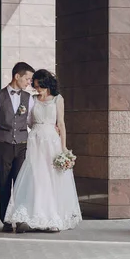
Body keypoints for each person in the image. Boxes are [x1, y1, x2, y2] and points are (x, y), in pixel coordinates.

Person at [5, 69, 82, 233]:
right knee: (37, 177)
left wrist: (63, 147)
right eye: (35, 85)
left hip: (52, 142)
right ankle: (35, 216)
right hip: (35, 141)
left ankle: (53, 217)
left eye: (39, 86)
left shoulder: (58, 99)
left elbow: (61, 123)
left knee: (52, 177)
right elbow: (29, 121)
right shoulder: (32, 100)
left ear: (47, 84)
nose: (37, 89)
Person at [0, 62, 35, 232]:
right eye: (27, 79)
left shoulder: (29, 98)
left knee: (21, 183)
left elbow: (30, 122)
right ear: (17, 76)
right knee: (4, 183)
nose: (29, 82)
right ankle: (6, 220)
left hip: (22, 145)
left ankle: (21, 219)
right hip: (3, 145)